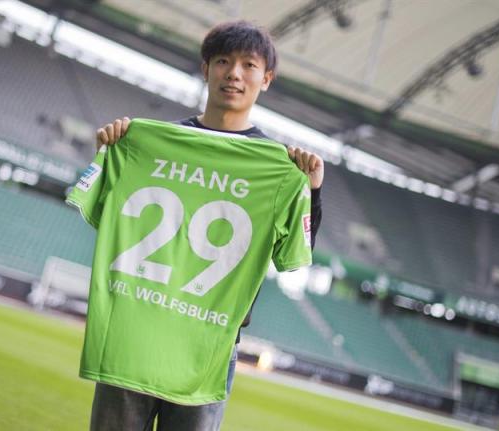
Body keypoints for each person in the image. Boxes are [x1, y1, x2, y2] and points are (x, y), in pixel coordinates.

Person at [90, 20, 324, 431]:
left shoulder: (279, 168)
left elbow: (295, 253)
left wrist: (312, 191)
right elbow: (110, 220)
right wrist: (112, 156)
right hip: (135, 330)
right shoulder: (146, 142)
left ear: (265, 78)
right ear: (206, 70)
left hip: (209, 346)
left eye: (248, 65)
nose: (234, 73)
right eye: (223, 61)